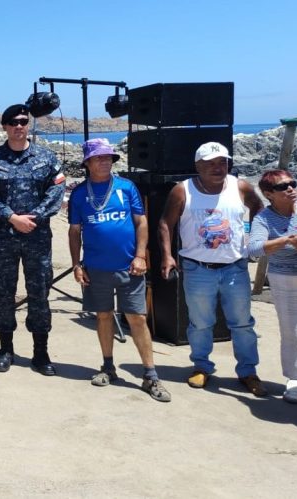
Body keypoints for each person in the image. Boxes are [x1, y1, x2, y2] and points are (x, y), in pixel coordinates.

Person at [158, 142, 266, 396]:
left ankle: (248, 371)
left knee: (242, 323)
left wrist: (254, 237)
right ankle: (201, 366)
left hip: (235, 268)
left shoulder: (241, 187)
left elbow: (259, 210)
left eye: (222, 162)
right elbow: (165, 223)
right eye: (210, 163)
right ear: (198, 166)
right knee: (200, 323)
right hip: (198, 269)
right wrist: (167, 255)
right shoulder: (181, 190)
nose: (218, 168)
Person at [67, 139, 170, 402]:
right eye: (99, 158)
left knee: (137, 318)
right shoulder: (79, 194)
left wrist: (140, 256)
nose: (105, 162)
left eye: (109, 158)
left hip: (129, 267)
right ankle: (108, 367)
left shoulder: (126, 187)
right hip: (96, 269)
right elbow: (75, 231)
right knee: (103, 317)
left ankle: (150, 375)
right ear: (87, 163)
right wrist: (76, 264)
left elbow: (141, 221)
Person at [0, 103, 65, 376]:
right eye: (13, 122)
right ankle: (5, 349)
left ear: (29, 125)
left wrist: (34, 217)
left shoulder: (46, 158)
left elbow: (56, 191)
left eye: (23, 121)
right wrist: (12, 217)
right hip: (4, 238)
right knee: (4, 295)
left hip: (37, 238)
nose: (19, 126)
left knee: (39, 294)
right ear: (4, 126)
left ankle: (41, 352)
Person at [247, 169, 297, 403]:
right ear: (269, 194)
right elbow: (255, 248)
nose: (291, 188)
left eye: (293, 183)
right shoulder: (264, 218)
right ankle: (294, 379)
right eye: (282, 187)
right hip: (287, 280)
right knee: (293, 334)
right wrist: (287, 241)